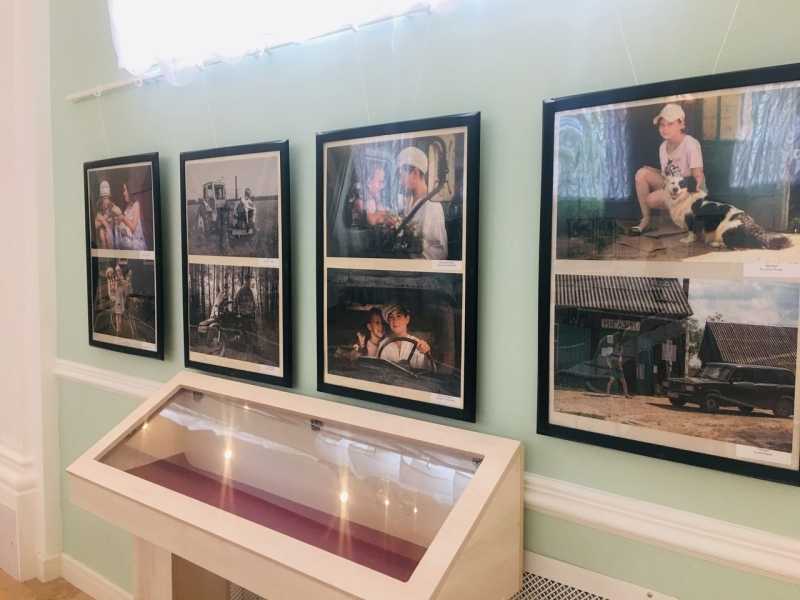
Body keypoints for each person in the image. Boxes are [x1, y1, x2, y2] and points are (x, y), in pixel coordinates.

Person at [632, 103, 706, 235]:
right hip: (672, 184)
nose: (665, 129)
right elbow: (667, 174)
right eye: (662, 125)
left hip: (689, 191)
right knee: (641, 174)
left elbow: (697, 178)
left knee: (651, 200)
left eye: (670, 124)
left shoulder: (691, 144)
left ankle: (685, 219)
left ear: (681, 125)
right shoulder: (663, 146)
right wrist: (652, 171)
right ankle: (646, 219)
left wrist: (693, 201)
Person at [396, 146, 448, 260]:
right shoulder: (409, 200)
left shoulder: (432, 205)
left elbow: (440, 253)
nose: (400, 182)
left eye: (401, 176)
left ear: (415, 173)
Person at [377, 304, 434, 370]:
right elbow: (379, 370)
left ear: (407, 319)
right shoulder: (383, 344)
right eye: (391, 317)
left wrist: (427, 352)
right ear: (388, 322)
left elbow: (426, 370)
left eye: (398, 316)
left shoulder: (418, 345)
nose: (395, 321)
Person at [118, 183, 148, 250]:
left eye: (125, 190)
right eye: (123, 191)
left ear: (129, 190)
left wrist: (123, 218)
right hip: (128, 242)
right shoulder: (126, 207)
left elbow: (133, 227)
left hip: (137, 244)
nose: (123, 193)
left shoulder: (136, 204)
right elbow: (125, 227)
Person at [94, 180, 122, 249]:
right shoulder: (99, 213)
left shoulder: (113, 207)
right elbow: (95, 225)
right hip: (104, 237)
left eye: (107, 198)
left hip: (114, 235)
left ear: (109, 198)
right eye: (103, 198)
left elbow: (120, 215)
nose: (105, 201)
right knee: (102, 233)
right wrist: (104, 220)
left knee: (107, 234)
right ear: (101, 200)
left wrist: (113, 218)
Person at [113, 264, 130, 336]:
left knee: (119, 314)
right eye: (117, 270)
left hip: (120, 298)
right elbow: (115, 288)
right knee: (118, 314)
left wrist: (123, 284)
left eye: (118, 270)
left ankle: (119, 329)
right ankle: (118, 329)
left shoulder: (121, 278)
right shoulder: (117, 278)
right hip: (118, 297)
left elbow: (124, 289)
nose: (118, 271)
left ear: (120, 270)